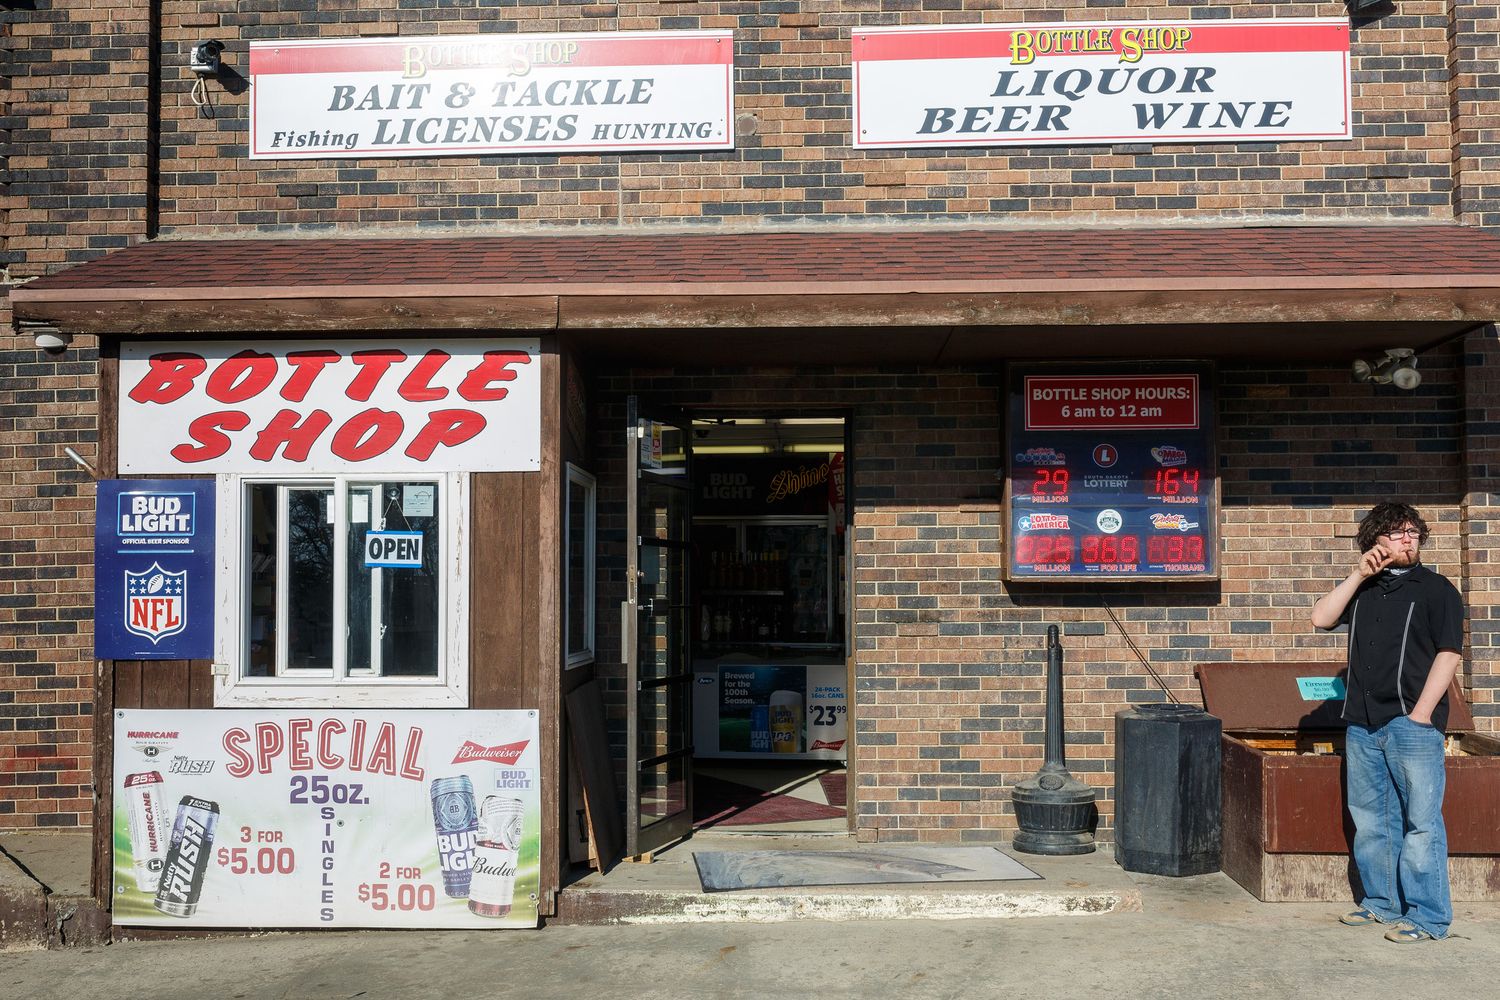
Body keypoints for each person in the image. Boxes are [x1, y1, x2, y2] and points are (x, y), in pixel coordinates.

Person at [1310, 502, 1462, 943]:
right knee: (1374, 821)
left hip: (1411, 726)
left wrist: (1420, 716)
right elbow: (1320, 618)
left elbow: (1448, 654)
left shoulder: (1437, 590)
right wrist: (1358, 574)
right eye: (1397, 533)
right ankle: (1380, 904)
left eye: (1414, 532)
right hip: (1362, 723)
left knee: (1421, 823)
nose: (1408, 539)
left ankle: (1428, 917)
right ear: (1374, 540)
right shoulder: (1363, 589)